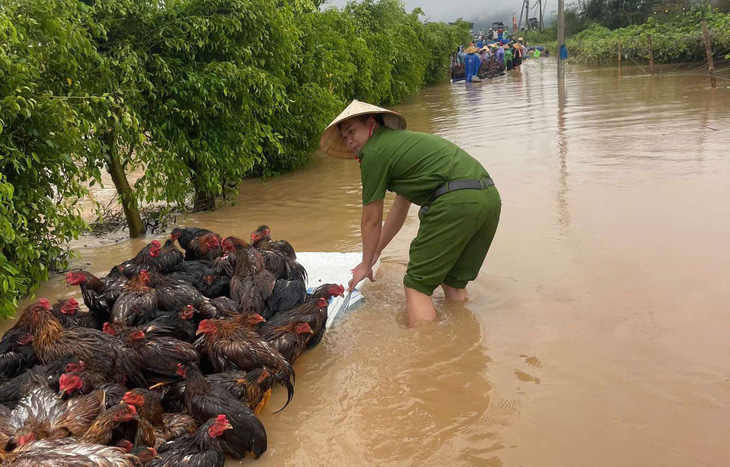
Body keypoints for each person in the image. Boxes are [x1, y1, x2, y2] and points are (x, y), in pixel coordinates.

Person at [319, 100, 501, 326]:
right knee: (453, 283)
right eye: (345, 138)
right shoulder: (399, 145)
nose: (349, 141)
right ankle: (462, 344)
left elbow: (371, 219)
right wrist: (375, 252)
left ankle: (425, 354)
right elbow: (399, 209)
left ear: (371, 124)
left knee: (416, 285)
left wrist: (365, 265)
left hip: (456, 202)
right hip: (489, 198)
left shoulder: (374, 153)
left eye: (351, 131)